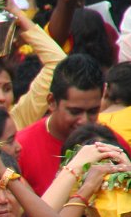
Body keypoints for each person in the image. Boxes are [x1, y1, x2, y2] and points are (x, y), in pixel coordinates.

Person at [17, 54, 110, 195]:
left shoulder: (112, 146)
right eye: (75, 111)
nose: (84, 121)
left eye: (92, 111)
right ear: (52, 102)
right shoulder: (20, 149)